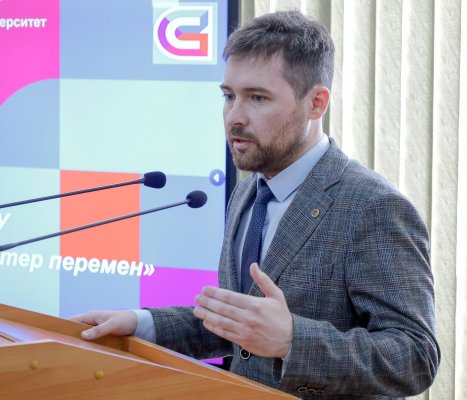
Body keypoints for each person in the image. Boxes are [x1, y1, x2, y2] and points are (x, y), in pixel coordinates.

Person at [71, 10, 440, 399]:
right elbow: (240, 327)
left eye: (257, 98)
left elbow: (416, 357)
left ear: (316, 103)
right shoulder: (248, 192)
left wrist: (293, 340)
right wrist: (140, 324)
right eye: (229, 96)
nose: (234, 117)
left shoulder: (373, 207)